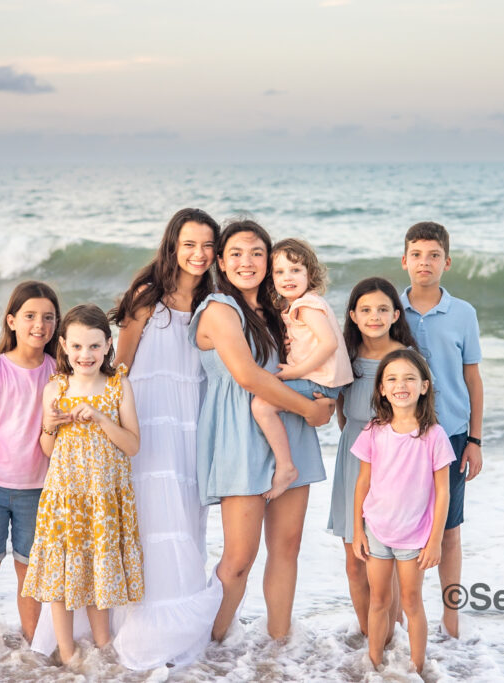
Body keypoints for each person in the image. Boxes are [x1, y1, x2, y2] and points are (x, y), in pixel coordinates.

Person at [189, 218, 335, 641]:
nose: (246, 262)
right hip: (240, 432)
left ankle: (279, 644)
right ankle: (208, 647)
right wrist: (311, 410)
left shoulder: (281, 310)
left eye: (256, 253)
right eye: (235, 253)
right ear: (220, 261)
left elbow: (317, 358)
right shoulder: (219, 309)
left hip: (286, 426)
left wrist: (328, 401)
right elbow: (249, 376)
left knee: (287, 548)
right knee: (239, 557)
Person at [106, 208, 224, 670]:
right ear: (173, 245)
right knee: (154, 515)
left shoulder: (214, 303)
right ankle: (146, 625)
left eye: (207, 245)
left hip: (193, 420)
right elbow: (121, 368)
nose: (199, 254)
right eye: (190, 244)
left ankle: (183, 624)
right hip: (150, 421)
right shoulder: (145, 298)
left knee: (187, 513)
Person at [21, 304, 143, 665]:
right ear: (63, 346)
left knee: (97, 571)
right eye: (76, 346)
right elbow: (46, 448)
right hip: (65, 497)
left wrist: (103, 418)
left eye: (93, 346)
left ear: (108, 345)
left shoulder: (118, 386)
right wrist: (51, 425)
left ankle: (104, 650)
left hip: (103, 500)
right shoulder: (56, 387)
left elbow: (133, 445)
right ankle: (70, 655)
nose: (84, 355)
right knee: (60, 576)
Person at [399, 221, 484, 638]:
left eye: (433, 255)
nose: (424, 262)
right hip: (401, 438)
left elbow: (473, 380)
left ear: (446, 262)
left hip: (450, 436)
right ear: (404, 261)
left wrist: (475, 440)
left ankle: (451, 623)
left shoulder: (463, 313)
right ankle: (400, 620)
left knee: (449, 532)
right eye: (416, 254)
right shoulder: (391, 310)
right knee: (399, 531)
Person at [0, 280, 61, 643]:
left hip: (38, 491)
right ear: (12, 321)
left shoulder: (56, 371)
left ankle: (33, 645)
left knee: (29, 571)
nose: (40, 324)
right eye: (30, 316)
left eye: (48, 317)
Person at [352, 349, 454, 673]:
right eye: (392, 378)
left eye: (410, 378)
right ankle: (374, 665)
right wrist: (357, 530)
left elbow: (443, 492)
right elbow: (362, 483)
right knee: (379, 600)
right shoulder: (373, 430)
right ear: (382, 388)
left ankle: (417, 668)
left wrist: (435, 540)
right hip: (377, 530)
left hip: (414, 536)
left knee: (411, 602)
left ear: (424, 386)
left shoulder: (433, 435)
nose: (401, 385)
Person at [326, 277, 416, 638]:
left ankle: (390, 639)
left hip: (394, 464)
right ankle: (369, 640)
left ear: (396, 314)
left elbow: (420, 418)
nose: (374, 316)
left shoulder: (407, 358)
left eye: (382, 309)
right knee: (354, 562)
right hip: (353, 458)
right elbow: (342, 414)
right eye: (365, 309)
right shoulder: (345, 357)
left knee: (385, 563)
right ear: (353, 315)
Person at [251, 238, 353, 500]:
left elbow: (328, 343)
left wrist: (295, 372)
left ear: (311, 274)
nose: (288, 277)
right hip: (326, 380)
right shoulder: (304, 304)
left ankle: (286, 467)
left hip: (321, 381)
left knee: (261, 405)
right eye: (280, 271)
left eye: (296, 270)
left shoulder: (306, 306)